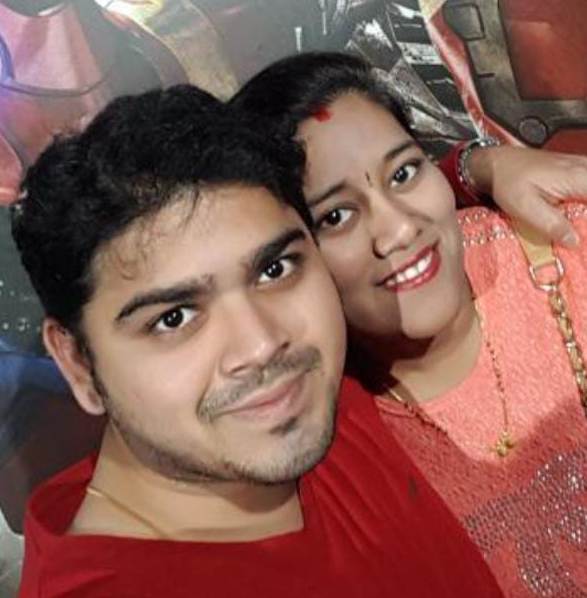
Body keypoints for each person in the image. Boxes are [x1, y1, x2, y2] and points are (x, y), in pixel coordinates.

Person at [11, 85, 503, 597]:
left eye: (274, 269)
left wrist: (480, 167)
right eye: (174, 318)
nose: (262, 345)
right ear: (78, 364)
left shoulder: (317, 398)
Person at [232, 51, 587, 597]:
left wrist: (478, 163)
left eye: (403, 173)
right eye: (336, 216)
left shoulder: (566, 243)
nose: (398, 229)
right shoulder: (312, 439)